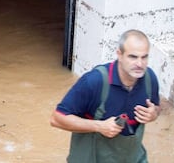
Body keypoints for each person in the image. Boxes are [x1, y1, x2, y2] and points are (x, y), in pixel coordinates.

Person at [50, 29, 160, 163]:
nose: (139, 64)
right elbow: (57, 118)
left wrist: (154, 114)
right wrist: (99, 126)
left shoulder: (149, 79)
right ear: (119, 54)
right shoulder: (94, 82)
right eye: (133, 57)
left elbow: (157, 108)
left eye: (144, 57)